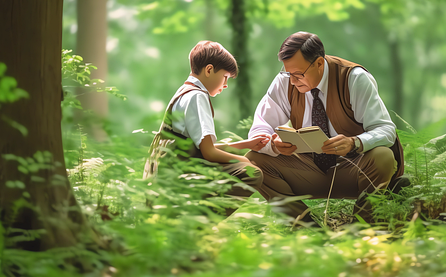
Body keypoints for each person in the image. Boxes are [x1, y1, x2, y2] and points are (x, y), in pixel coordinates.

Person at [247, 32, 405, 225]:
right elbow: (259, 128)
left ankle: (362, 226)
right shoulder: (285, 81)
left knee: (383, 157)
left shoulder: (354, 79)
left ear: (319, 64)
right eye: (288, 73)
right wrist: (274, 145)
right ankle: (306, 227)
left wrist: (354, 142)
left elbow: (386, 130)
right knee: (254, 160)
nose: (293, 81)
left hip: (354, 169)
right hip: (307, 170)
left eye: (298, 74)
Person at [144, 40, 269, 214]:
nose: (225, 85)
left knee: (237, 157)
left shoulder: (184, 92)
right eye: (225, 77)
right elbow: (209, 153)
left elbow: (199, 148)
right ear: (209, 70)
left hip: (167, 171)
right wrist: (245, 160)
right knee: (251, 172)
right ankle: (201, 224)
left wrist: (245, 145)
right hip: (181, 174)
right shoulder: (197, 97)